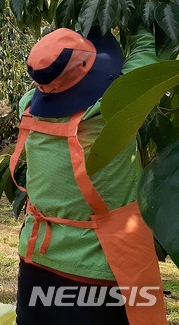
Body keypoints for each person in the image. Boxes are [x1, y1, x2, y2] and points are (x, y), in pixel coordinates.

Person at [10, 27, 166, 325]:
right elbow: (146, 52)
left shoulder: (28, 106)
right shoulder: (111, 110)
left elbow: (57, 72)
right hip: (101, 266)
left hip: (36, 256)